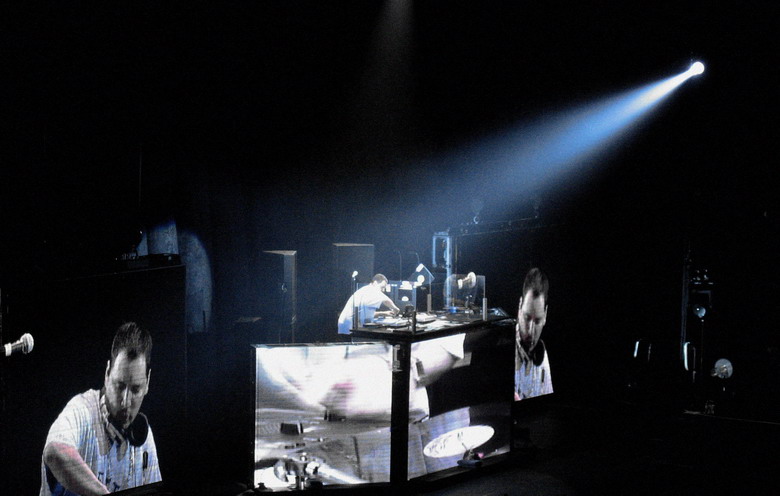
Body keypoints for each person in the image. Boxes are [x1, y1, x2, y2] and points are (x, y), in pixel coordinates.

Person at [40, 322, 162, 496]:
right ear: (107, 373)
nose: (126, 401)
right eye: (120, 386)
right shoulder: (81, 410)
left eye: (135, 390)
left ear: (147, 383)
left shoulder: (144, 440)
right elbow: (54, 452)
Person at [515, 268, 553, 400]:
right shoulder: (502, 346)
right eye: (527, 318)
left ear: (545, 315)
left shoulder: (543, 357)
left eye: (537, 321)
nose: (531, 331)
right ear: (520, 307)